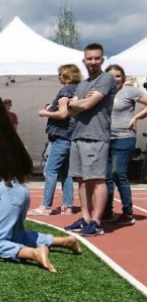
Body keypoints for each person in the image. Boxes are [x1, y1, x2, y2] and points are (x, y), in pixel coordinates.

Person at [0, 93, 80, 273]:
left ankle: (34, 253)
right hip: (19, 190)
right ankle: (64, 241)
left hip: (5, 193)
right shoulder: (8, 132)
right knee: (15, 235)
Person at [64, 43, 117, 237]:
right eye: (89, 58)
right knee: (81, 180)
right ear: (84, 61)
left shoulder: (107, 79)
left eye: (96, 58)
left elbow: (86, 105)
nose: (93, 62)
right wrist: (76, 103)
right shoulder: (82, 84)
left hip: (96, 136)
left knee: (97, 180)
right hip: (77, 135)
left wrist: (76, 103)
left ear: (102, 60)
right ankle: (85, 218)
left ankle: (96, 221)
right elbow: (70, 110)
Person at [29, 64, 81, 216]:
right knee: (66, 173)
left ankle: (45, 206)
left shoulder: (65, 91)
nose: (58, 77)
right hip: (72, 136)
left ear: (66, 75)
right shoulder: (79, 90)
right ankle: (67, 205)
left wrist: (45, 113)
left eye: (60, 74)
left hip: (61, 136)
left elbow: (63, 114)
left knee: (50, 171)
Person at [102, 64, 147, 225]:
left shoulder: (130, 91)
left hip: (124, 138)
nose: (114, 79)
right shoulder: (102, 93)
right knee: (106, 177)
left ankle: (127, 213)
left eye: (118, 76)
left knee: (118, 173)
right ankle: (106, 212)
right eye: (111, 76)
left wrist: (136, 118)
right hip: (105, 139)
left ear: (123, 77)